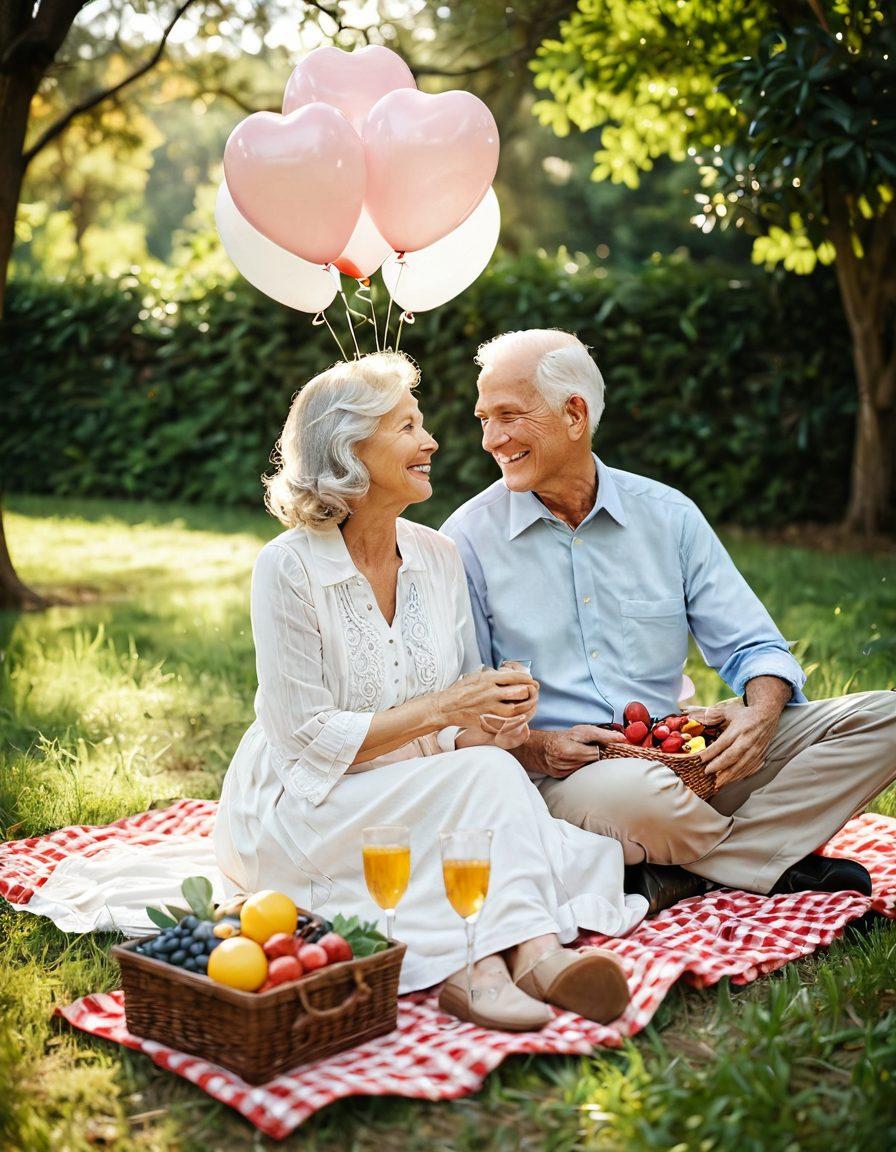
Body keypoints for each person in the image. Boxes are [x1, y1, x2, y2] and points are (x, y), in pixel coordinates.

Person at [214, 351, 647, 1032]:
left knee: (488, 767)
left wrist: (497, 720)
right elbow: (304, 745)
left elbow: (456, 732)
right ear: (350, 448)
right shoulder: (287, 567)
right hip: (305, 802)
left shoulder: (437, 556)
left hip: (416, 782)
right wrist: (452, 708)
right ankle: (511, 958)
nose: (433, 442)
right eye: (407, 426)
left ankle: (509, 958)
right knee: (486, 786)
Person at [441, 329, 896, 913]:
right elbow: (463, 706)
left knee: (883, 718)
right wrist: (536, 746)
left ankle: (682, 868)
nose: (490, 439)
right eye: (484, 418)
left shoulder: (668, 517)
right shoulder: (467, 541)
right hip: (572, 780)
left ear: (574, 414)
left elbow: (754, 644)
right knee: (642, 798)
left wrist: (759, 714)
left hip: (686, 755)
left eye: (508, 415)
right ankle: (772, 862)